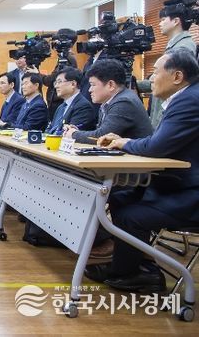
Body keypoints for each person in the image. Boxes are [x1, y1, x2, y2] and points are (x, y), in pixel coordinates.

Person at [85, 49, 199, 292]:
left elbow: (156, 147)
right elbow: (159, 142)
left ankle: (135, 273)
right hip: (176, 185)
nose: (150, 78)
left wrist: (124, 142)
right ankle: (133, 265)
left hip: (190, 193)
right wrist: (124, 141)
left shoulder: (190, 101)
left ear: (177, 76)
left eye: (155, 72)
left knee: (130, 213)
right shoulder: (185, 97)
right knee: (119, 197)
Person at [138, 3, 197, 128]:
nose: (160, 24)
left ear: (176, 21)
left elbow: (172, 85)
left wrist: (139, 84)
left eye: (163, 19)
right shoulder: (175, 46)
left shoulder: (183, 48)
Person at [64, 59, 152, 143]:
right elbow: (101, 132)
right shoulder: (110, 101)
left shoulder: (124, 102)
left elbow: (102, 136)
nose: (89, 90)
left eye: (93, 85)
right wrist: (77, 131)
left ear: (110, 85)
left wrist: (74, 134)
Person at [45, 67, 96, 135]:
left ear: (73, 84)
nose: (56, 86)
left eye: (59, 82)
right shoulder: (61, 107)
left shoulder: (83, 106)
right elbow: (50, 129)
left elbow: (69, 133)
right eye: (55, 83)